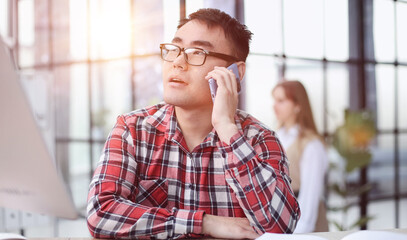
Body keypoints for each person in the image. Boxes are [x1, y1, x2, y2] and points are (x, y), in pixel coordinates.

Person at [87, 8, 300, 239]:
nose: (178, 62)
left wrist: (227, 128)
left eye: (197, 52)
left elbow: (281, 227)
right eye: (174, 49)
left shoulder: (259, 139)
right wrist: (204, 223)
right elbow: (100, 213)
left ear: (235, 72)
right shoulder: (133, 130)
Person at [271, 80, 329, 233]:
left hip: (302, 226)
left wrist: (297, 234)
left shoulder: (311, 145)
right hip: (279, 221)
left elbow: (309, 198)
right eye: (274, 100)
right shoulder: (275, 136)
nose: (274, 106)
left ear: (298, 105)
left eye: (281, 101)